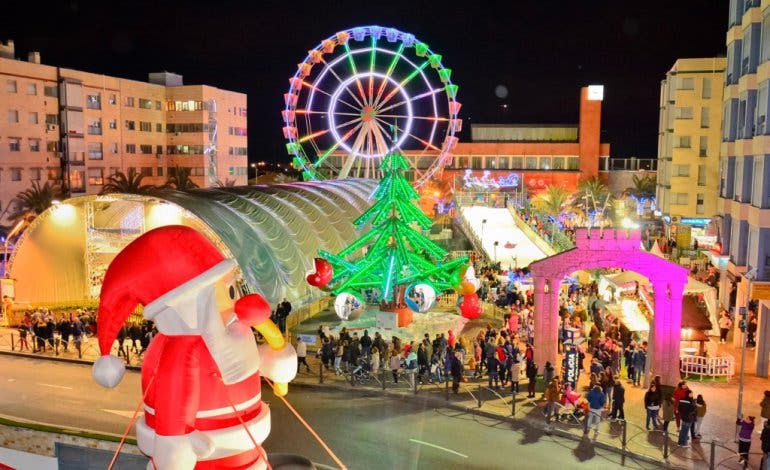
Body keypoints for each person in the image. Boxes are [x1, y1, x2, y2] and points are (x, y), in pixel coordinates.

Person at [90, 225, 296, 469]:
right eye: (227, 291)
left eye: (232, 289)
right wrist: (174, 443)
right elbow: (173, 396)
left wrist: (275, 359)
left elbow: (247, 360)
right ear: (191, 301)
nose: (235, 302)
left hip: (246, 451)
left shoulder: (231, 329)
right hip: (204, 454)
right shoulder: (181, 349)